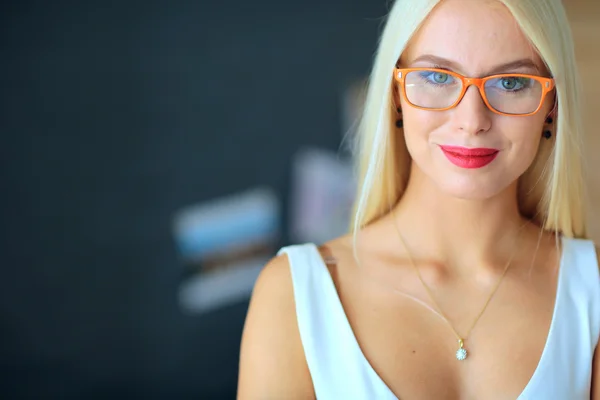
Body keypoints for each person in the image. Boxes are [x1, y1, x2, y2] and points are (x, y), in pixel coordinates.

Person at [238, 0, 600, 398]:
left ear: (551, 105)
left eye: (511, 82)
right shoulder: (292, 294)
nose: (472, 120)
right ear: (396, 94)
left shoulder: (592, 288)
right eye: (436, 76)